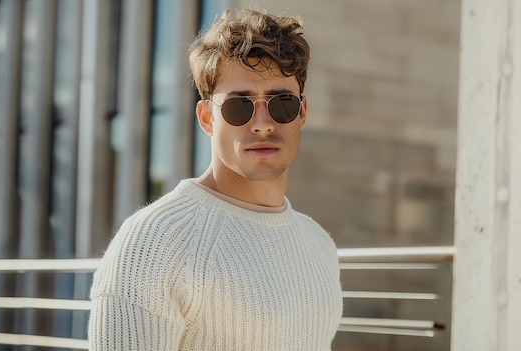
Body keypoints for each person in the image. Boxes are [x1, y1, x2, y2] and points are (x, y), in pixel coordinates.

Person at [88, 8, 343, 350]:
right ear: (207, 118)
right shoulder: (154, 241)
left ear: (302, 113)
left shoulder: (319, 244)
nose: (263, 123)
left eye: (283, 104)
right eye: (239, 106)